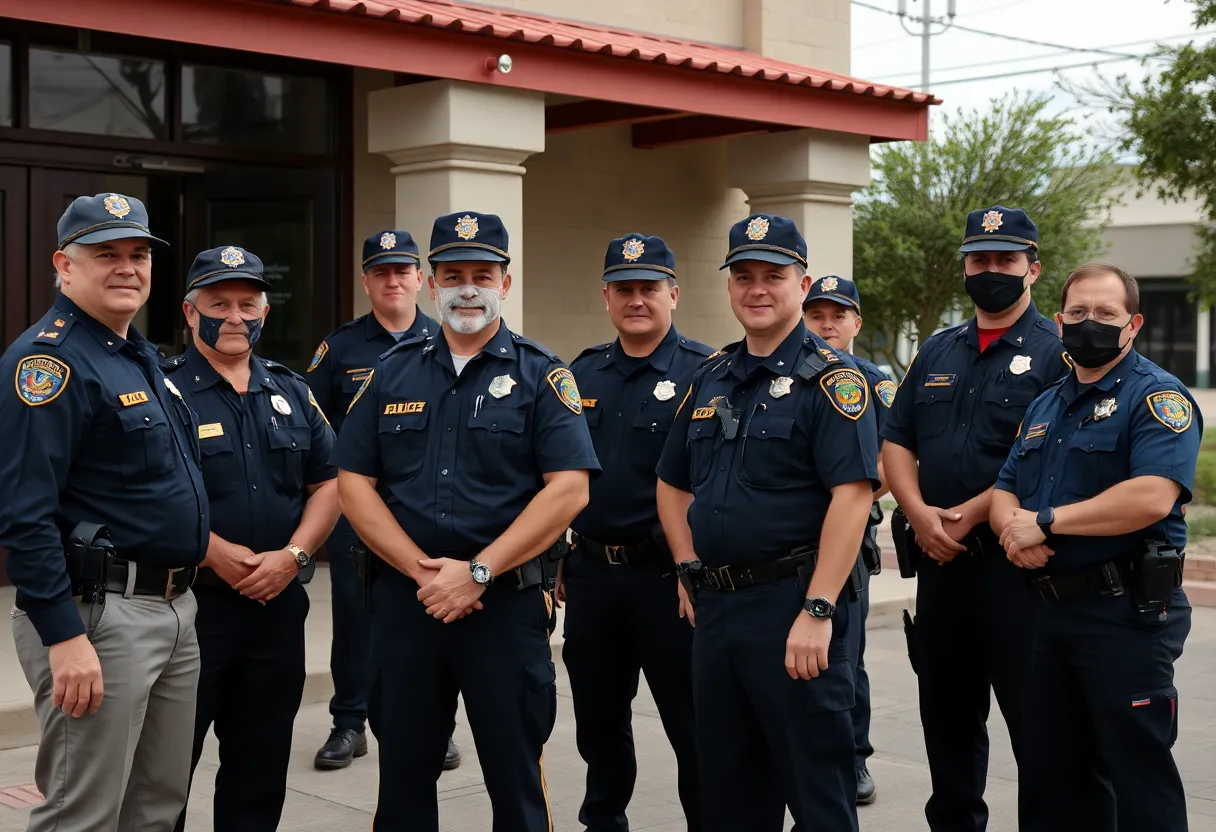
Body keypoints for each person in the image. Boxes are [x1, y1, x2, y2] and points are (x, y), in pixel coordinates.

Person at [332, 210, 600, 831]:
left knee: (515, 778)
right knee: (403, 778)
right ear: (431, 284)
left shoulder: (541, 373)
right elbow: (353, 482)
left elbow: (569, 490)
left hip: (503, 607)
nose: (468, 289)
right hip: (409, 604)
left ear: (506, 282)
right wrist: (422, 572)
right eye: (453, 276)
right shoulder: (391, 370)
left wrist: (477, 572)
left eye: (483, 275)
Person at [655, 213, 879, 832]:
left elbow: (852, 497)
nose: (757, 289)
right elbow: (671, 482)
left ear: (801, 285)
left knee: (816, 795)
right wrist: (686, 564)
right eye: (743, 276)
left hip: (793, 607)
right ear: (729, 286)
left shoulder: (834, 381)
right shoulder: (710, 377)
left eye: (773, 276)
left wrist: (818, 609)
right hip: (718, 612)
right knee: (728, 796)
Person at [0, 193, 209, 830]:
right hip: (98, 617)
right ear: (64, 265)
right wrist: (64, 636)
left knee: (157, 806)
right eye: (106, 254)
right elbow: (24, 514)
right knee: (82, 814)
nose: (127, 267)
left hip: (171, 609)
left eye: (138, 254)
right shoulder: (49, 363)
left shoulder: (136, 354)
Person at [880, 205, 1070, 831]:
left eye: (1005, 260)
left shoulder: (1057, 354)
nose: (991, 271)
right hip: (941, 567)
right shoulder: (938, 349)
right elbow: (897, 439)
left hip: (1018, 575)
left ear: (1032, 268)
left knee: (1038, 732)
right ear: (964, 267)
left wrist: (968, 517)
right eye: (979, 259)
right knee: (947, 724)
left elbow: (1047, 456)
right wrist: (919, 515)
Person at [991, 262, 1197, 832]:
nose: (1090, 323)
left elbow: (1152, 496)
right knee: (1055, 776)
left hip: (1124, 614)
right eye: (1078, 312)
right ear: (1059, 322)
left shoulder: (1156, 396)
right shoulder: (1046, 404)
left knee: (1138, 778)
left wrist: (1047, 523)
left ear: (1133, 324)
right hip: (1049, 613)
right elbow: (1005, 487)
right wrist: (1013, 534)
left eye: (1106, 313)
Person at [166, 246, 341, 832]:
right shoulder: (162, 392)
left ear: (266, 311)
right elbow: (148, 494)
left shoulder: (293, 391)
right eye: (219, 304)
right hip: (191, 609)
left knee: (260, 766)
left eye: (248, 304)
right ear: (190, 313)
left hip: (277, 606)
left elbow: (330, 483)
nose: (235, 316)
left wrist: (294, 556)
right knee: (167, 770)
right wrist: (213, 551)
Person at [561, 234, 712, 832]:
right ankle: (604, 822)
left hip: (667, 579)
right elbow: (558, 474)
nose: (637, 300)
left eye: (649, 288)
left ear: (673, 294)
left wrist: (692, 565)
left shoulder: (709, 373)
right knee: (597, 721)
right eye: (624, 289)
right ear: (606, 297)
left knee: (693, 724)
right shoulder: (579, 373)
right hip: (592, 576)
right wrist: (558, 556)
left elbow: (715, 482)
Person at [304, 230, 453, 770]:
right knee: (356, 613)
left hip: (426, 505)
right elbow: (314, 424)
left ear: (420, 280)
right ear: (365, 281)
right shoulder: (339, 348)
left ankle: (436, 724)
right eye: (381, 272)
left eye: (402, 271)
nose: (393, 281)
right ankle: (350, 721)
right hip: (358, 507)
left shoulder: (447, 339)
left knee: (433, 609)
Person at [801, 274, 895, 806]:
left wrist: (845, 495)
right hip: (788, 545)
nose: (827, 325)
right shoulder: (790, 376)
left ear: (857, 322)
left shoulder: (873, 383)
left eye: (838, 315)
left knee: (843, 657)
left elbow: (890, 464)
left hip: (847, 543)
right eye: (817, 315)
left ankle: (854, 756)